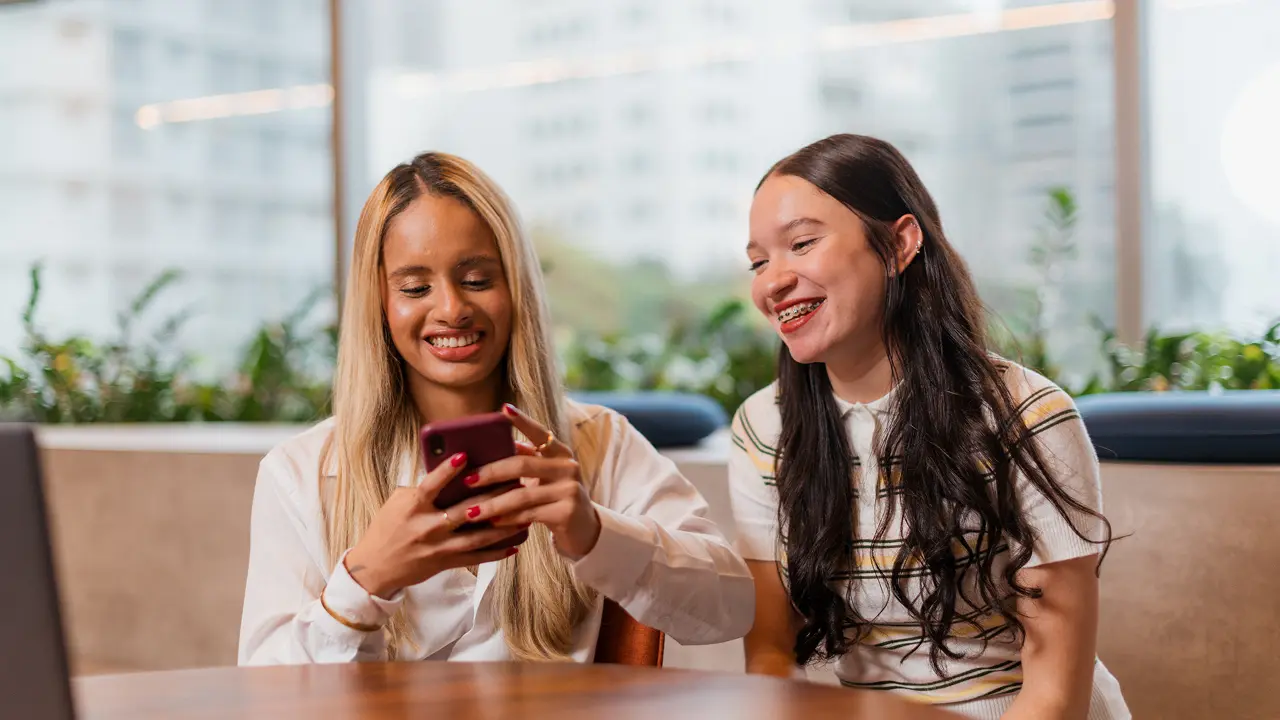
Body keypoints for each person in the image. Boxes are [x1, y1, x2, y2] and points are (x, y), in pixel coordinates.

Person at [238, 151, 753, 665]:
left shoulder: (598, 443)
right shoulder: (301, 473)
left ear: (516, 287)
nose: (451, 309)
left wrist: (594, 532)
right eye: (415, 287)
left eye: (478, 279)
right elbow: (264, 691)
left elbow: (731, 609)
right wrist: (366, 579)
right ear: (379, 300)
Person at [729, 134, 1129, 719]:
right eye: (759, 261)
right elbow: (769, 651)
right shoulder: (765, 428)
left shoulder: (1027, 416)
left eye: (802, 244)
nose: (772, 282)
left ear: (898, 244)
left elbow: (1054, 693)